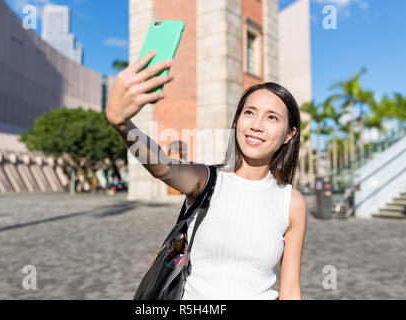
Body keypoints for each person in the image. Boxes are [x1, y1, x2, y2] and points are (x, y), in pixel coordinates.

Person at [106, 50, 307, 300]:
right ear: (238, 121)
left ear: (289, 134)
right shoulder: (207, 180)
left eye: (272, 117)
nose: (256, 124)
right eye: (249, 112)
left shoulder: (292, 202)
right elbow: (163, 166)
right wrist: (122, 124)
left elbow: (290, 290)